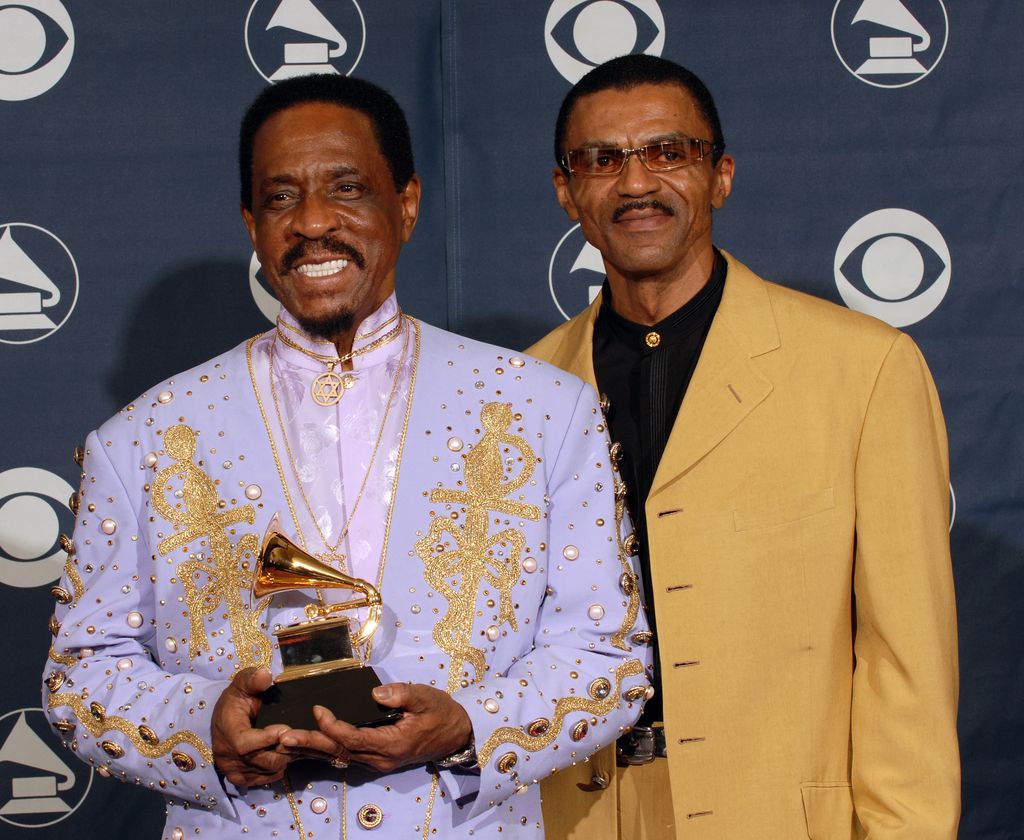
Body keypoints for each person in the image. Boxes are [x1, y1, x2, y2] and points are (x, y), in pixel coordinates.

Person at [42, 73, 651, 838]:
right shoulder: (142, 440)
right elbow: (81, 676)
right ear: (251, 223)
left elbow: (608, 658)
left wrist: (472, 725)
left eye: (347, 188)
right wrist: (203, 726)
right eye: (280, 197)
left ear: (407, 204)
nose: (313, 221)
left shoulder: (543, 411)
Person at [528, 54, 960, 839]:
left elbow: (908, 663)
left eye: (668, 152)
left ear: (720, 176)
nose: (636, 183)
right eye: (602, 160)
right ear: (566, 191)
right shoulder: (521, 391)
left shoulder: (863, 368)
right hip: (574, 814)